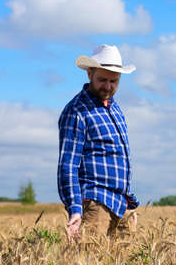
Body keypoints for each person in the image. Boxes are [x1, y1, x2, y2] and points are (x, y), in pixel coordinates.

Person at [57, 44, 139, 239]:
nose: (108, 86)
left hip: (120, 204)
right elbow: (68, 165)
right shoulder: (77, 111)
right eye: (102, 80)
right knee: (91, 263)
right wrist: (75, 209)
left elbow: (117, 159)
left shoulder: (114, 108)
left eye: (114, 81)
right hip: (95, 204)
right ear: (89, 74)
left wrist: (128, 204)